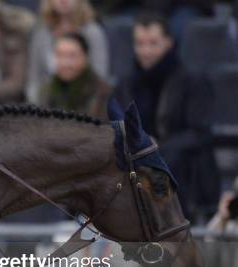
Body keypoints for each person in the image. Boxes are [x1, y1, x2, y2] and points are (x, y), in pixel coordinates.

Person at [114, 12, 220, 220]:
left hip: (182, 170)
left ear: (169, 43)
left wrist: (156, 145)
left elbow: (200, 133)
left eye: (153, 43)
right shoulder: (126, 85)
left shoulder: (192, 81)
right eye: (140, 43)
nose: (146, 50)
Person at [26, 0, 109, 105]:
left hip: (85, 106)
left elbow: (99, 78)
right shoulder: (41, 32)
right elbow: (34, 80)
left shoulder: (93, 32)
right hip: (46, 106)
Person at [39, 32, 112, 119]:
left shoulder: (102, 93)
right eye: (60, 55)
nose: (65, 63)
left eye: (72, 56)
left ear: (85, 57)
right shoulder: (47, 89)